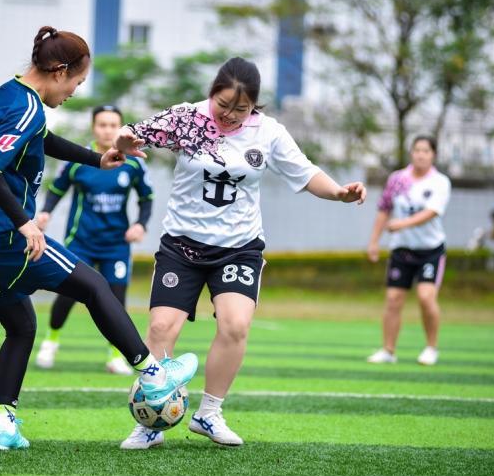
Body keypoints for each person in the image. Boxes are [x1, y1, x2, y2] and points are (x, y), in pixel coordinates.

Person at [0, 25, 198, 451]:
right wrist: (24, 223)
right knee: (94, 286)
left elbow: (42, 140)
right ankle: (154, 376)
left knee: (21, 325)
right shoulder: (28, 108)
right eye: (77, 81)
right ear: (59, 71)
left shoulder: (9, 93)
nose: (76, 91)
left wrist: (98, 159)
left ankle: (3, 426)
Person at [112, 57, 367, 450]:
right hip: (181, 243)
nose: (230, 115)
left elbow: (304, 171)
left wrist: (338, 192)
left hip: (239, 247)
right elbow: (135, 132)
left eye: (241, 109)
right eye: (223, 105)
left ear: (254, 106)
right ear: (212, 93)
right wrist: (125, 141)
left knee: (235, 325)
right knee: (162, 328)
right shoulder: (187, 118)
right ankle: (151, 421)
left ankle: (208, 413)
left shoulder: (268, 133)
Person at [34, 104, 154, 375]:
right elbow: (56, 189)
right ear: (93, 127)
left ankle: (115, 356)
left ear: (121, 128)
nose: (108, 129)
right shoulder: (79, 160)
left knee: (116, 300)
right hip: (81, 242)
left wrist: (140, 224)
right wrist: (45, 213)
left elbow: (147, 198)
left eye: (113, 125)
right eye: (102, 124)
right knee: (68, 295)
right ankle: (51, 341)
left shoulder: (133, 163)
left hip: (116, 245)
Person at [366, 135, 451, 367]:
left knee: (425, 297)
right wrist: (374, 241)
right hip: (401, 250)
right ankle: (388, 350)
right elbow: (384, 209)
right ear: (411, 153)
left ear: (433, 154)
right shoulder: (398, 179)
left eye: (426, 150)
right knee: (393, 299)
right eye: (417, 150)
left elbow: (432, 212)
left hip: (430, 250)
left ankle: (431, 348)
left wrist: (402, 224)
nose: (421, 154)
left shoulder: (440, 182)